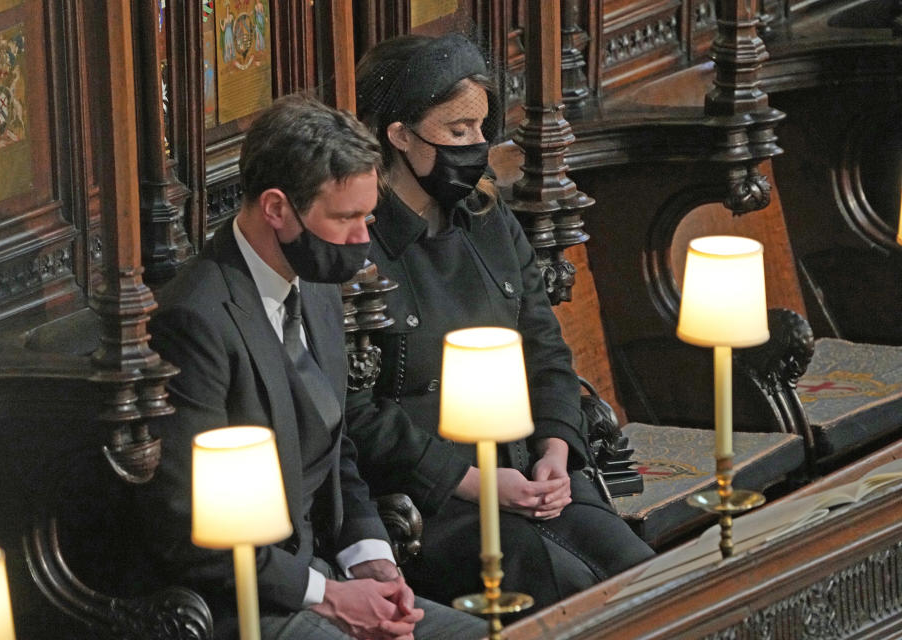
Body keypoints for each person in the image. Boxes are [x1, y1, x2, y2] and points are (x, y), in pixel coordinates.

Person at [139, 94, 484, 640]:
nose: (363, 241)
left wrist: (371, 556)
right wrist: (330, 597)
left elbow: (335, 441)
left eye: (368, 216)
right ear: (277, 209)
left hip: (323, 573)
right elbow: (191, 529)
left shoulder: (315, 284)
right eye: (346, 218)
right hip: (242, 602)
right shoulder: (194, 320)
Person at [347, 33, 655, 611]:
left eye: (482, 129)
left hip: (528, 471)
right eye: (457, 130)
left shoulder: (491, 221)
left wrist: (556, 452)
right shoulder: (359, 242)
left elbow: (546, 353)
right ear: (399, 135)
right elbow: (357, 415)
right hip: (433, 497)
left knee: (640, 574)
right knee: (553, 582)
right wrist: (477, 484)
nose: (477, 145)